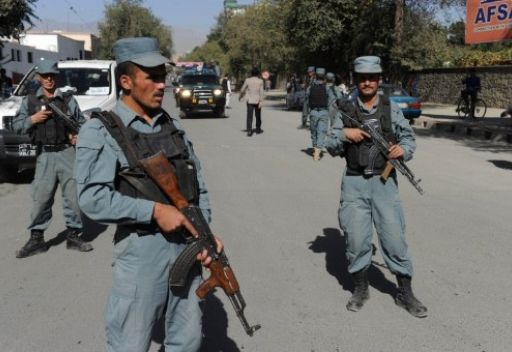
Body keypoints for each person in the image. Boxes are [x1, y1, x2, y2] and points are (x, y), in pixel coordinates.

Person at [74, 37, 223, 352]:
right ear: (126, 81)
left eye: (163, 76)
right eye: (152, 77)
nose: (161, 85)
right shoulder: (101, 130)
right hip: (142, 253)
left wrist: (206, 233)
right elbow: (92, 198)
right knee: (131, 342)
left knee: (188, 339)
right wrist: (154, 212)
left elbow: (199, 188)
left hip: (188, 247)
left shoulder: (173, 128)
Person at [325, 56, 427, 318]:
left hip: (384, 183)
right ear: (356, 80)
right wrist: (344, 135)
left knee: (394, 238)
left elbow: (408, 138)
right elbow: (329, 142)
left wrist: (402, 149)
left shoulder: (390, 108)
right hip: (354, 182)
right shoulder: (345, 108)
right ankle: (361, 288)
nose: (367, 82)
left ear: (379, 79)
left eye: (372, 77)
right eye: (362, 78)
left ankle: (405, 292)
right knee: (357, 239)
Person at [12, 59, 93, 258]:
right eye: (45, 76)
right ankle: (36, 239)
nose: (49, 79)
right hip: (44, 156)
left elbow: (83, 124)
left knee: (73, 198)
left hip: (67, 153)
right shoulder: (30, 101)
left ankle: (74, 235)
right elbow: (16, 125)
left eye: (52, 76)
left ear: (57, 77)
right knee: (41, 199)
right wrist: (33, 119)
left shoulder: (68, 100)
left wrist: (78, 135)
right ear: (39, 77)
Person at [304, 67, 330, 161]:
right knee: (321, 132)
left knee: (314, 132)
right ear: (324, 76)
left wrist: (304, 116)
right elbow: (331, 101)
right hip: (324, 112)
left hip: (313, 112)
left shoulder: (310, 87)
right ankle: (318, 150)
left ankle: (316, 149)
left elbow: (306, 101)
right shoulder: (327, 88)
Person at [239, 67, 264, 136]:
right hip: (257, 100)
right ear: (258, 73)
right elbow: (261, 92)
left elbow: (242, 90)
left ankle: (249, 130)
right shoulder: (260, 81)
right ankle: (258, 129)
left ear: (251, 73)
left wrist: (240, 96)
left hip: (249, 100)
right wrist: (261, 101)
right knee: (258, 115)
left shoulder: (247, 80)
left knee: (249, 116)